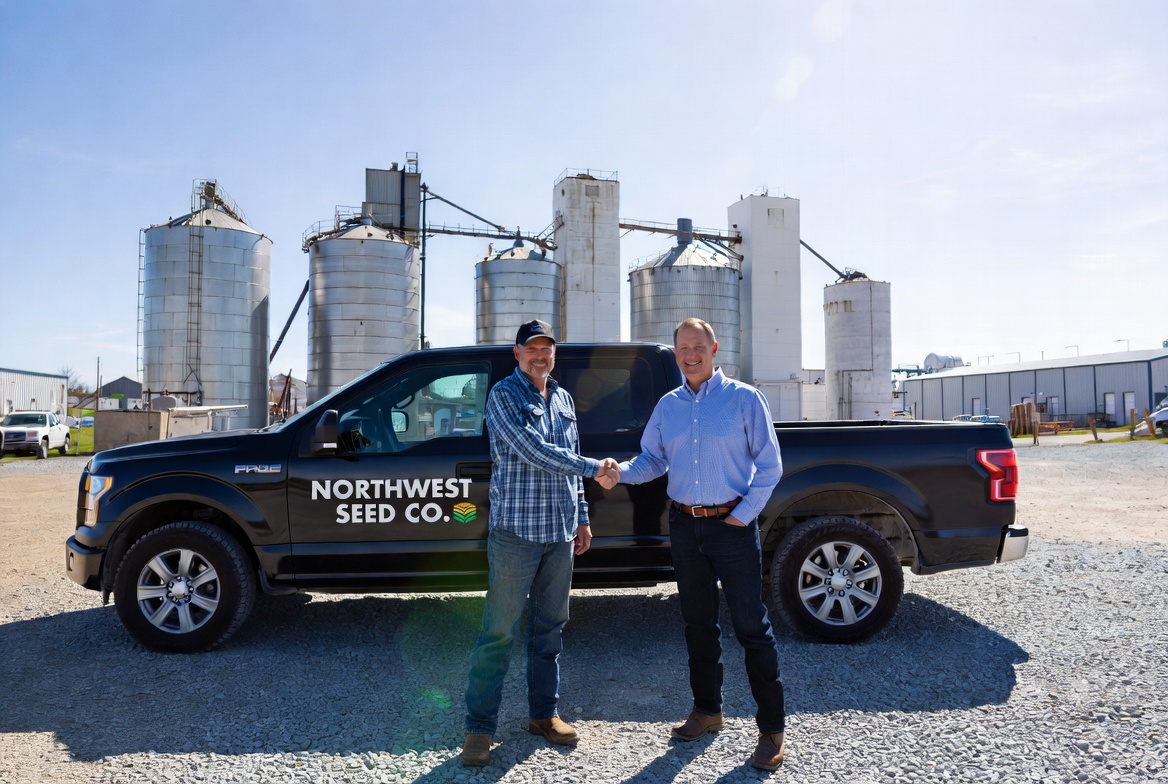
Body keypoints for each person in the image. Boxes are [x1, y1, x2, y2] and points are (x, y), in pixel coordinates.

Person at [597, 317, 787, 770]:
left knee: (752, 628)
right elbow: (652, 460)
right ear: (677, 352)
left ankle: (772, 730)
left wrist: (742, 517)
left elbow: (771, 466)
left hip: (732, 527)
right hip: (684, 526)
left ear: (715, 348)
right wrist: (619, 472)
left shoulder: (743, 398)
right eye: (683, 347)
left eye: (698, 345)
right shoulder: (668, 406)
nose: (690, 354)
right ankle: (708, 710)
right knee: (697, 625)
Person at [461, 319, 618, 768]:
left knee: (550, 629)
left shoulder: (564, 398)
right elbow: (533, 450)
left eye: (546, 348)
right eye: (532, 348)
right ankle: (479, 728)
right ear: (517, 353)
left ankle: (543, 715)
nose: (540, 355)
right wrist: (595, 467)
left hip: (560, 532)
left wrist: (582, 517)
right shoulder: (503, 396)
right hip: (516, 533)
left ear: (554, 354)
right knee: (498, 632)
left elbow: (568, 461)